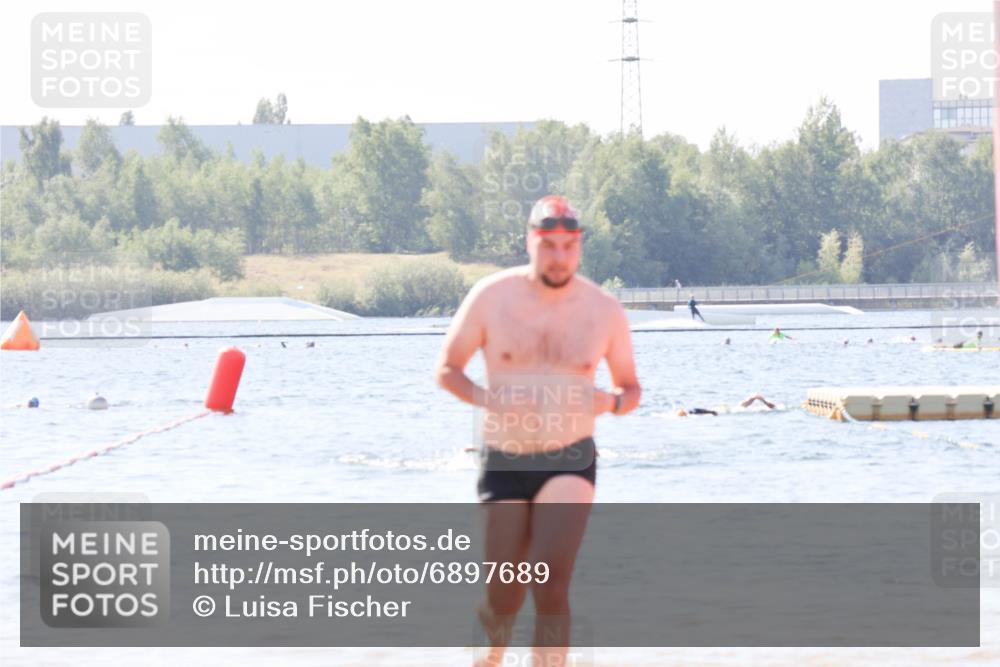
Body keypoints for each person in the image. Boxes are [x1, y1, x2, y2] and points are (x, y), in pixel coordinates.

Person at [436, 194, 640, 667]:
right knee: (502, 596)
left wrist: (609, 402)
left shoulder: (603, 310)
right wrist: (491, 398)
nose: (560, 256)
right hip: (505, 460)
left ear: (581, 247)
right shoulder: (492, 297)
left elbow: (631, 390)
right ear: (530, 242)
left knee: (550, 583)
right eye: (549, 245)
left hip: (570, 458)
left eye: (569, 246)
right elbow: (447, 370)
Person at [676, 393, 777, 417]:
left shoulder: (692, 412)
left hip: (725, 410)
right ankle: (766, 403)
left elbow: (698, 410)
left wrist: (711, 412)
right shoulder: (691, 413)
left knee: (752, 398)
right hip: (726, 410)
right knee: (752, 398)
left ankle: (766, 403)